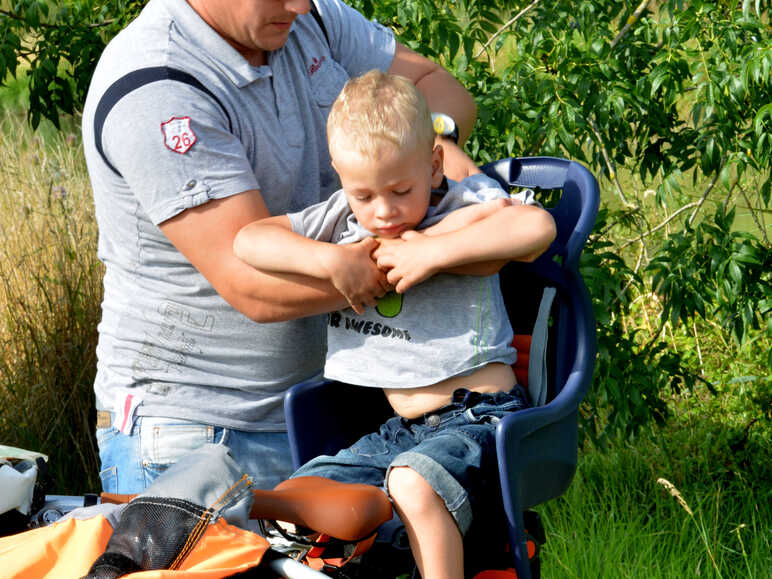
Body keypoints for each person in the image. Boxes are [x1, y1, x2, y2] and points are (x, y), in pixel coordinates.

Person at [81, 0, 480, 494]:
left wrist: (432, 156)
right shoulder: (158, 89)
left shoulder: (310, 18)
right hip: (198, 434)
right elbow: (253, 285)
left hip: (335, 412)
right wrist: (447, 248)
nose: (298, 4)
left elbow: (434, 86)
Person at [233, 70, 557, 579]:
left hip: (478, 418)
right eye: (364, 195)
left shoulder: (460, 204)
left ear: (432, 165)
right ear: (341, 178)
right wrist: (330, 263)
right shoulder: (344, 219)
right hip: (397, 432)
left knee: (412, 482)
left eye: (400, 189)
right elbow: (249, 240)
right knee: (299, 503)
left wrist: (432, 250)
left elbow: (536, 226)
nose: (383, 212)